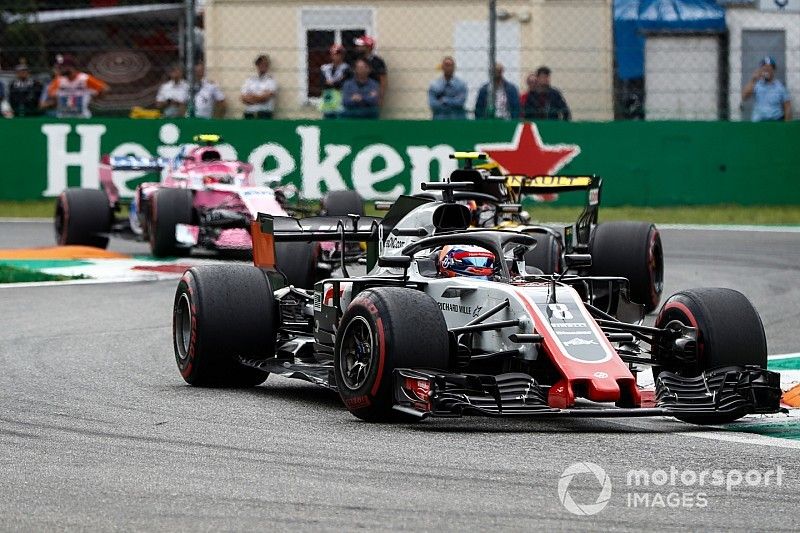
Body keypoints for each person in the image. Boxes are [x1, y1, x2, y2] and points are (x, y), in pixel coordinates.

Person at [40, 55, 108, 118]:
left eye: (62, 67)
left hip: (82, 117)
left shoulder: (84, 78)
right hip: (64, 117)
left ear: (70, 67)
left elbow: (104, 88)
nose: (59, 70)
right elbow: (51, 93)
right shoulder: (59, 80)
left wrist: (94, 97)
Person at [742, 56, 792, 122]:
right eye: (764, 69)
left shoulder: (780, 87)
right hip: (759, 121)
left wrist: (786, 126)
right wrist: (753, 80)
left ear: (773, 70)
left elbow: (787, 107)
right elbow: (744, 97)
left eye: (769, 69)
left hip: (776, 121)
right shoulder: (756, 85)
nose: (766, 71)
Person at [240, 54, 278, 119]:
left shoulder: (271, 81)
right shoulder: (250, 80)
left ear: (268, 66)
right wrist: (260, 97)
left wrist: (251, 96)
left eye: (265, 64)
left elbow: (265, 98)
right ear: (257, 65)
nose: (262, 66)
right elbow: (243, 98)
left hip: (264, 114)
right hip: (249, 113)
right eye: (260, 64)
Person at [353, 35, 387, 106]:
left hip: (372, 93)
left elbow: (383, 80)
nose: (358, 48)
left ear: (368, 47)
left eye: (361, 46)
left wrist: (381, 97)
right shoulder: (356, 60)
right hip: (357, 93)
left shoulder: (378, 62)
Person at [319, 44, 351, 118]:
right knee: (328, 117)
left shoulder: (347, 68)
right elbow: (322, 83)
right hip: (328, 96)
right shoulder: (325, 68)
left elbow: (343, 84)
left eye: (339, 54)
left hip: (341, 96)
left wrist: (331, 83)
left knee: (340, 117)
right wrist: (334, 83)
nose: (336, 56)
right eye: (334, 54)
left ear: (343, 55)